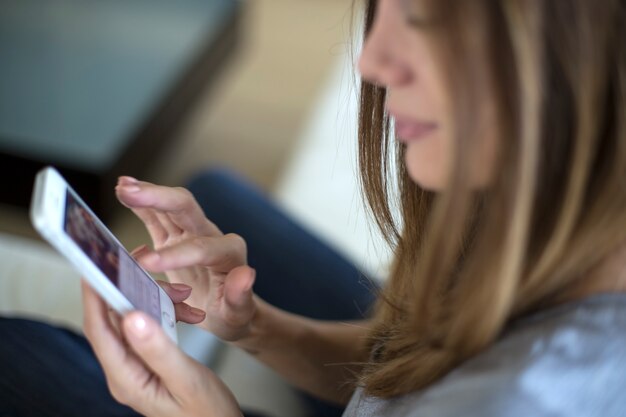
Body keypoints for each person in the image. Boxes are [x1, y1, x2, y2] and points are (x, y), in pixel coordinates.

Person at [2, 0, 626, 416]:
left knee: (20, 353)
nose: (371, 62)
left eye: (425, 18)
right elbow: (409, 362)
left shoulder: (526, 396)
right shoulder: (532, 209)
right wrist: (255, 328)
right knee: (218, 190)